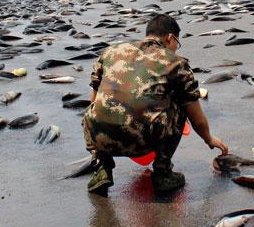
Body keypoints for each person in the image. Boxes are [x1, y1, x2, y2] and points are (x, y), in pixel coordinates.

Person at [83, 14, 228, 196]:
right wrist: (208, 138)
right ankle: (163, 173)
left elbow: (94, 99)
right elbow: (195, 117)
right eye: (177, 43)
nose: (176, 48)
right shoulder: (176, 63)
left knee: (96, 110)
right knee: (181, 102)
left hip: (100, 138)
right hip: (142, 140)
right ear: (170, 37)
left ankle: (101, 169)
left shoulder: (111, 51)